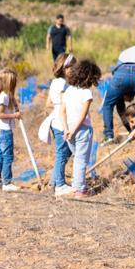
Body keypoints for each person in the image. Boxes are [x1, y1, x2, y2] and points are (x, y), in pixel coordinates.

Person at [63, 59, 101, 198]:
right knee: (81, 159)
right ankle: (80, 190)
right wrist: (73, 130)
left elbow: (62, 111)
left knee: (77, 158)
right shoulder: (86, 93)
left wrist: (66, 129)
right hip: (82, 130)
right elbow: (83, 114)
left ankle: (76, 185)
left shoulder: (68, 91)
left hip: (68, 130)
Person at [45, 53, 76, 194]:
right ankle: (60, 185)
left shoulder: (54, 82)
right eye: (71, 67)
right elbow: (66, 103)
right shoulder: (63, 83)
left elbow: (48, 104)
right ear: (64, 67)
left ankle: (54, 181)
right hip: (61, 122)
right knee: (62, 153)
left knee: (64, 152)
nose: (74, 69)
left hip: (56, 119)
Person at [0, 68, 22, 192]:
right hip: (4, 131)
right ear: (10, 84)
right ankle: (7, 183)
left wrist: (15, 103)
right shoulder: (4, 98)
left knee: (1, 156)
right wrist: (15, 115)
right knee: (8, 157)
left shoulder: (3, 96)